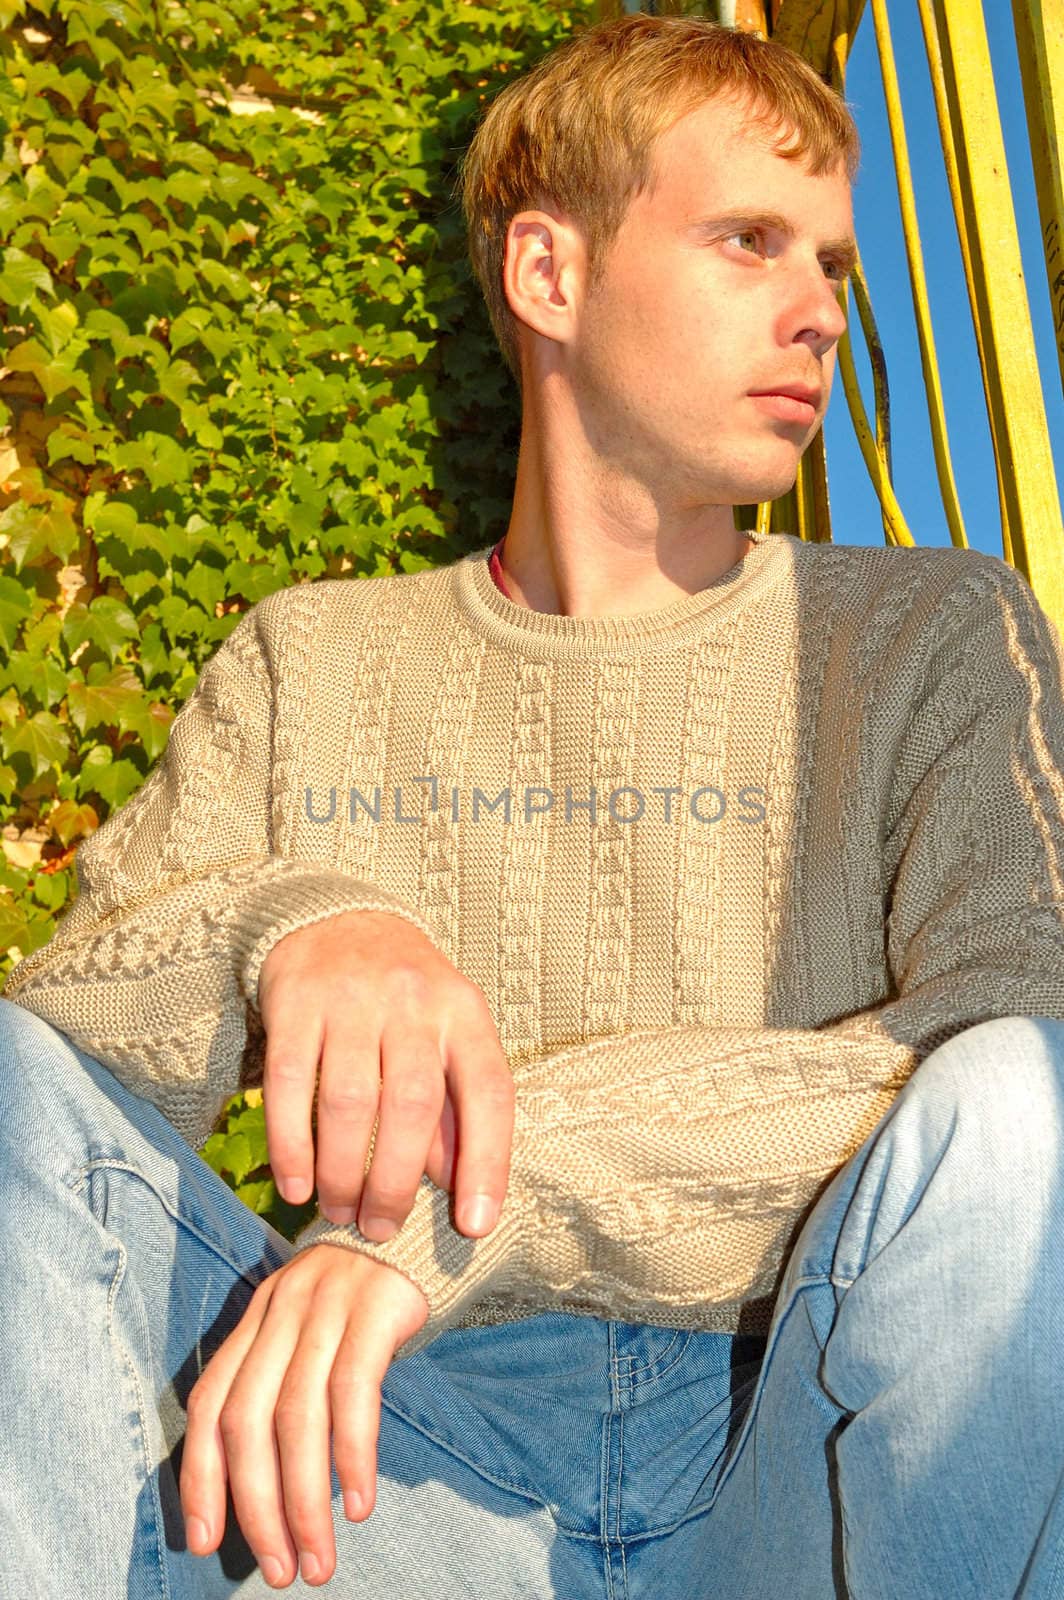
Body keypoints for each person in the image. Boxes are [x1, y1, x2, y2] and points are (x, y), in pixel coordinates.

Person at [2, 11, 1063, 1597]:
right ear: (549, 275)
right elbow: (61, 1068)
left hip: (805, 1451)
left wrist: (478, 1198)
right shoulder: (312, 656)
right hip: (384, 1483)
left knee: (1020, 1104)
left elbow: (1023, 1016)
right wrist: (298, 925)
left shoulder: (937, 639)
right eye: (749, 241)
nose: (819, 314)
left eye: (830, 265)